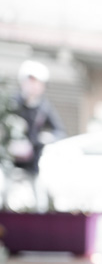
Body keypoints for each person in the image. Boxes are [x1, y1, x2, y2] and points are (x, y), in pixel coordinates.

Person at [8, 60, 66, 210]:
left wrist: (46, 138)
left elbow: (59, 131)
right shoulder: (11, 103)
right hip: (8, 161)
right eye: (30, 81)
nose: (33, 86)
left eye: (37, 82)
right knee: (4, 192)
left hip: (33, 161)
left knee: (39, 199)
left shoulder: (44, 107)